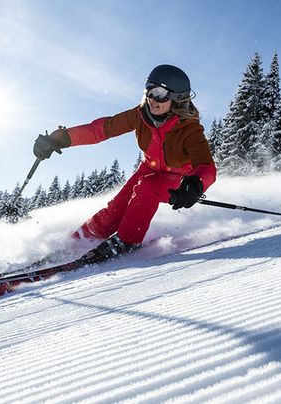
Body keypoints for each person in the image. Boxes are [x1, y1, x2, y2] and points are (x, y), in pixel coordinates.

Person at [32, 64, 217, 260]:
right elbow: (103, 129)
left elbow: (207, 167)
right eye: (150, 90)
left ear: (177, 99)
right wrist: (62, 138)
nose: (153, 99)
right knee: (116, 207)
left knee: (147, 187)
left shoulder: (190, 130)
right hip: (148, 168)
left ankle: (126, 241)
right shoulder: (141, 114)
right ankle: (80, 241)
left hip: (178, 179)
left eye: (161, 94)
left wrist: (195, 185)